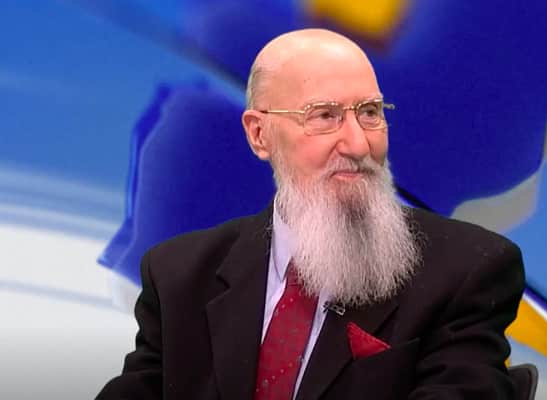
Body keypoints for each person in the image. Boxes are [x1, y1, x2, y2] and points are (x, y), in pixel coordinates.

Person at [97, 29, 525, 399]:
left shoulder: (467, 271)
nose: (358, 144)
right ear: (259, 134)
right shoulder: (179, 276)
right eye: (324, 116)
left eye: (370, 113)